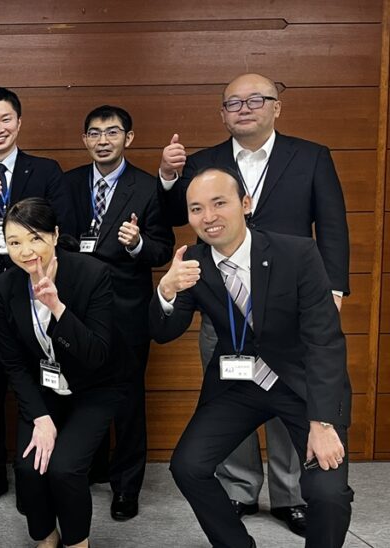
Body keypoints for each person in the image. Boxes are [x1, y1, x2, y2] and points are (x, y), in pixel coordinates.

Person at [157, 73, 350, 535]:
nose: (243, 109)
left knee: (313, 457)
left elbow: (332, 224)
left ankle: (292, 494)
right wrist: (167, 178)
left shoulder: (310, 156)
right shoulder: (204, 164)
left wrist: (334, 290)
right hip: (228, 322)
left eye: (255, 100)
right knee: (216, 418)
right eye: (233, 103)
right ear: (222, 114)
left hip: (294, 312)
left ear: (276, 106)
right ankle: (240, 489)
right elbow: (171, 215)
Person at [0, 86, 73, 509]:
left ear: (19, 122)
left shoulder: (46, 170)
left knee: (46, 381)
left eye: (5, 119)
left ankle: (49, 467)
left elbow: (65, 230)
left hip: (39, 295)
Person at [61, 105, 174, 520]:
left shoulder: (147, 187)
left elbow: (163, 248)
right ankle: (89, 466)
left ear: (129, 137)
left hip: (126, 311)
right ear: (84, 139)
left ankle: (126, 487)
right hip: (77, 308)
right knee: (80, 391)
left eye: (112, 132)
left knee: (127, 400)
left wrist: (137, 244)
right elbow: (56, 236)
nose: (103, 140)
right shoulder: (69, 182)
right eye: (94, 133)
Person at [0, 197, 125, 548]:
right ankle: (46, 537)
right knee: (28, 467)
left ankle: (78, 542)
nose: (25, 251)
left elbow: (97, 354)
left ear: (54, 235)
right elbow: (13, 363)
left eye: (35, 238)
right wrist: (40, 417)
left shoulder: (92, 274)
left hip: (92, 389)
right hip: (44, 390)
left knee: (64, 469)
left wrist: (56, 307)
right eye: (14, 242)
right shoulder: (5, 286)